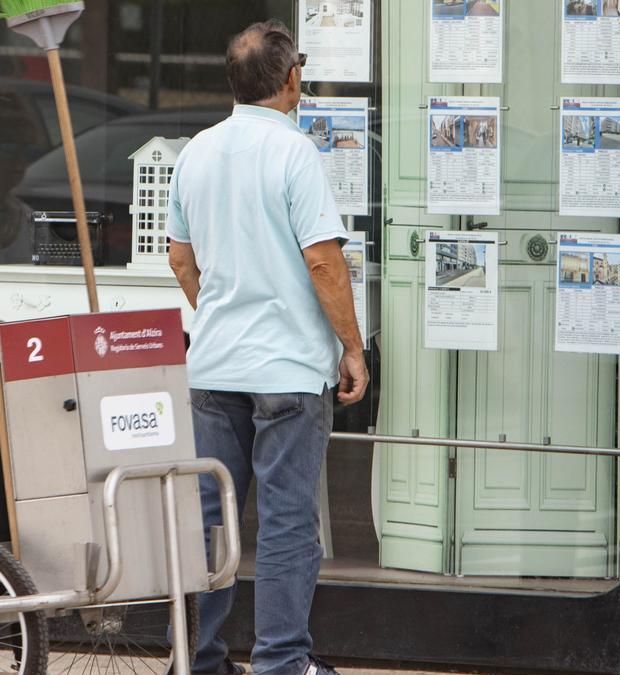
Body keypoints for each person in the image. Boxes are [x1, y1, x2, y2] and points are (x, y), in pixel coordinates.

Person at [167, 19, 368, 675]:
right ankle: (282, 662)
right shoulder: (294, 153)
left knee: (209, 521)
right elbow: (324, 263)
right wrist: (352, 348)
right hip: (286, 370)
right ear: (292, 80)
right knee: (285, 521)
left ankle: (198, 659)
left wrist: (221, 314)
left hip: (215, 364)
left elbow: (179, 256)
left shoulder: (196, 150)